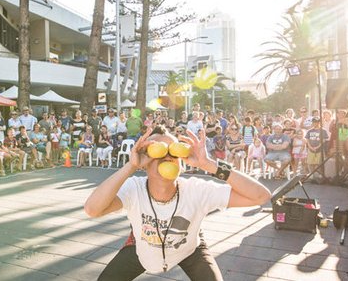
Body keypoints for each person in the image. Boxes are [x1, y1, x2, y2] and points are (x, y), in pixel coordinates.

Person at [83, 126, 271, 280]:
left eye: (173, 150)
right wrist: (130, 166)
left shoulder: (196, 189)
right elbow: (92, 209)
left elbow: (261, 196)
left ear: (181, 161)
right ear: (145, 161)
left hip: (189, 247)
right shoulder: (134, 188)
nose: (167, 155)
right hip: (143, 246)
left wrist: (209, 165)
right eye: (157, 150)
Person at [305, 117, 330, 182]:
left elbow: (323, 140)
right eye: (314, 122)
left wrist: (317, 147)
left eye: (317, 122)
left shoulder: (323, 130)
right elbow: (307, 140)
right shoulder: (309, 131)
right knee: (310, 163)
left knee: (319, 163)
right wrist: (310, 147)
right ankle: (311, 174)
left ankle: (320, 175)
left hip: (319, 149)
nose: (315, 123)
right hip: (311, 149)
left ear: (319, 122)